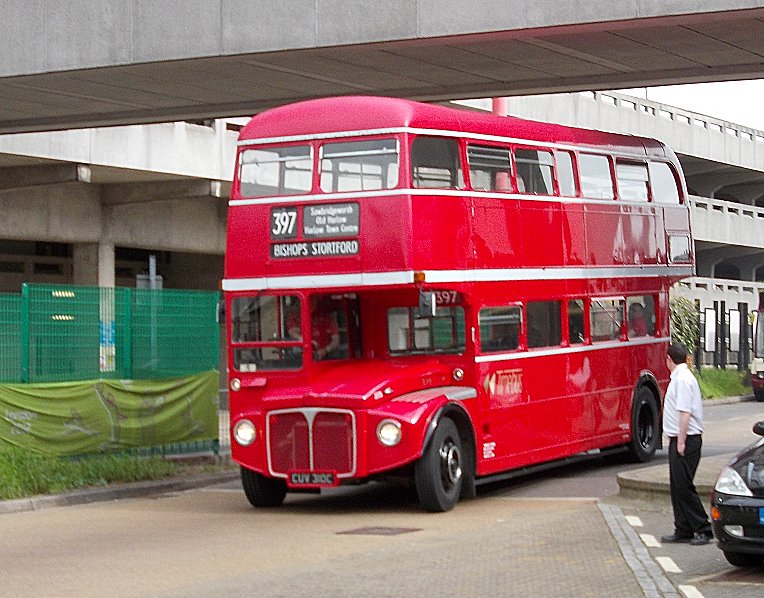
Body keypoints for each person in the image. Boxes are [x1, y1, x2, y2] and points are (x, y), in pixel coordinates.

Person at [660, 342, 713, 546]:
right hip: (681, 438)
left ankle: (703, 528)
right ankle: (683, 528)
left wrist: (680, 441)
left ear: (669, 359)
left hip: (686, 439)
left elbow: (685, 412)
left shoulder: (682, 380)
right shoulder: (681, 378)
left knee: (684, 486)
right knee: (677, 485)